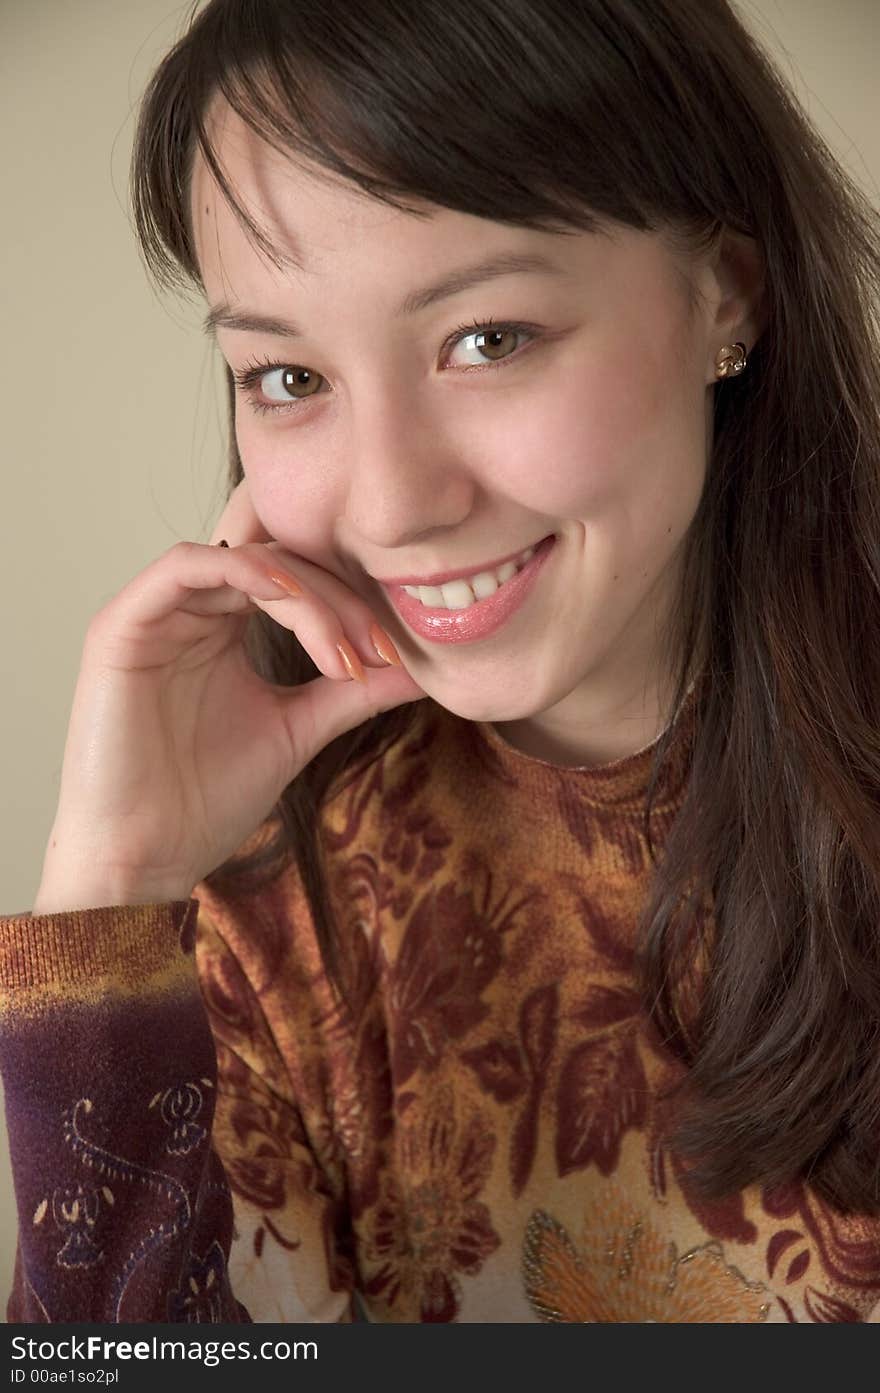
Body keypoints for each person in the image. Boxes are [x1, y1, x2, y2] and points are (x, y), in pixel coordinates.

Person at [2, 0, 879, 1325]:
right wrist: (117, 891)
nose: (393, 502)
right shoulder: (263, 916)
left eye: (487, 339)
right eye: (287, 376)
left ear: (728, 296)